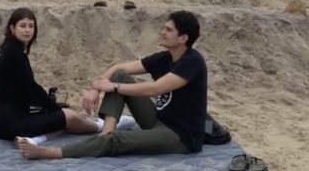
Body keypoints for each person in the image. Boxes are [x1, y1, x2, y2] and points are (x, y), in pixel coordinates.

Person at [18, 10, 207, 161]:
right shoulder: (165, 58)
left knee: (117, 138)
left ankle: (52, 152)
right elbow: (119, 68)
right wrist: (95, 89)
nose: (162, 32)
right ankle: (106, 132)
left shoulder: (192, 62)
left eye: (168, 30)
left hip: (180, 135)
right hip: (158, 120)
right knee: (120, 76)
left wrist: (114, 87)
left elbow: (155, 89)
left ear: (183, 38)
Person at [0, 8, 100, 142]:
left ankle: (38, 139)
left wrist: (52, 108)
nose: (27, 30)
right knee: (69, 117)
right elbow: (31, 89)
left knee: (65, 117)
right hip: (12, 125)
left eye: (31, 26)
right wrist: (55, 108)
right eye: (22, 26)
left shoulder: (11, 48)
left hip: (4, 123)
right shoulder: (14, 53)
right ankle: (102, 127)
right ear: (12, 28)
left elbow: (26, 90)